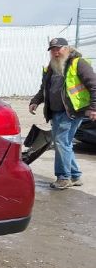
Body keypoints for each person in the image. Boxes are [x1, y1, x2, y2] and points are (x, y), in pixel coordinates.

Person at [29, 37, 96, 189]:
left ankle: (63, 177)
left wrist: (93, 108)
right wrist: (35, 101)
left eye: (58, 49)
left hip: (72, 111)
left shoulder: (78, 63)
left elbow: (94, 86)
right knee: (64, 143)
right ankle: (75, 175)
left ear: (67, 48)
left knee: (60, 142)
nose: (55, 52)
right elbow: (44, 89)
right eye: (52, 50)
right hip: (56, 112)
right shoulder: (51, 66)